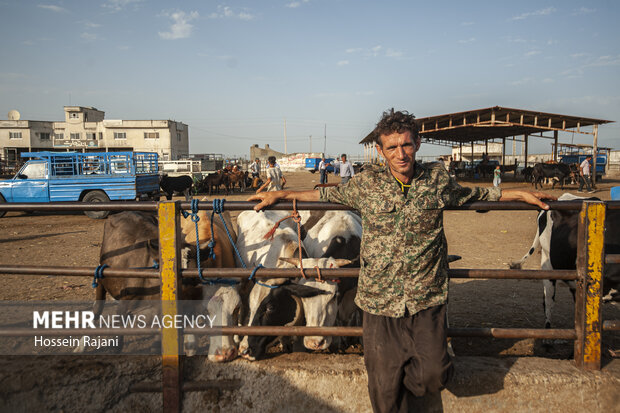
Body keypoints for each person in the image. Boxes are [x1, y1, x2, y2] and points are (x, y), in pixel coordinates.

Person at [249, 109, 554, 413]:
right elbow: (323, 196)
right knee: (383, 388)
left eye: (406, 145)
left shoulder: (436, 179)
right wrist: (281, 195)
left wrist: (519, 195)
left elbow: (476, 195)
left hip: (426, 298)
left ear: (417, 143)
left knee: (434, 374)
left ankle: (407, 374)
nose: (401, 154)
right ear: (380, 151)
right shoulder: (367, 184)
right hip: (379, 301)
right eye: (392, 147)